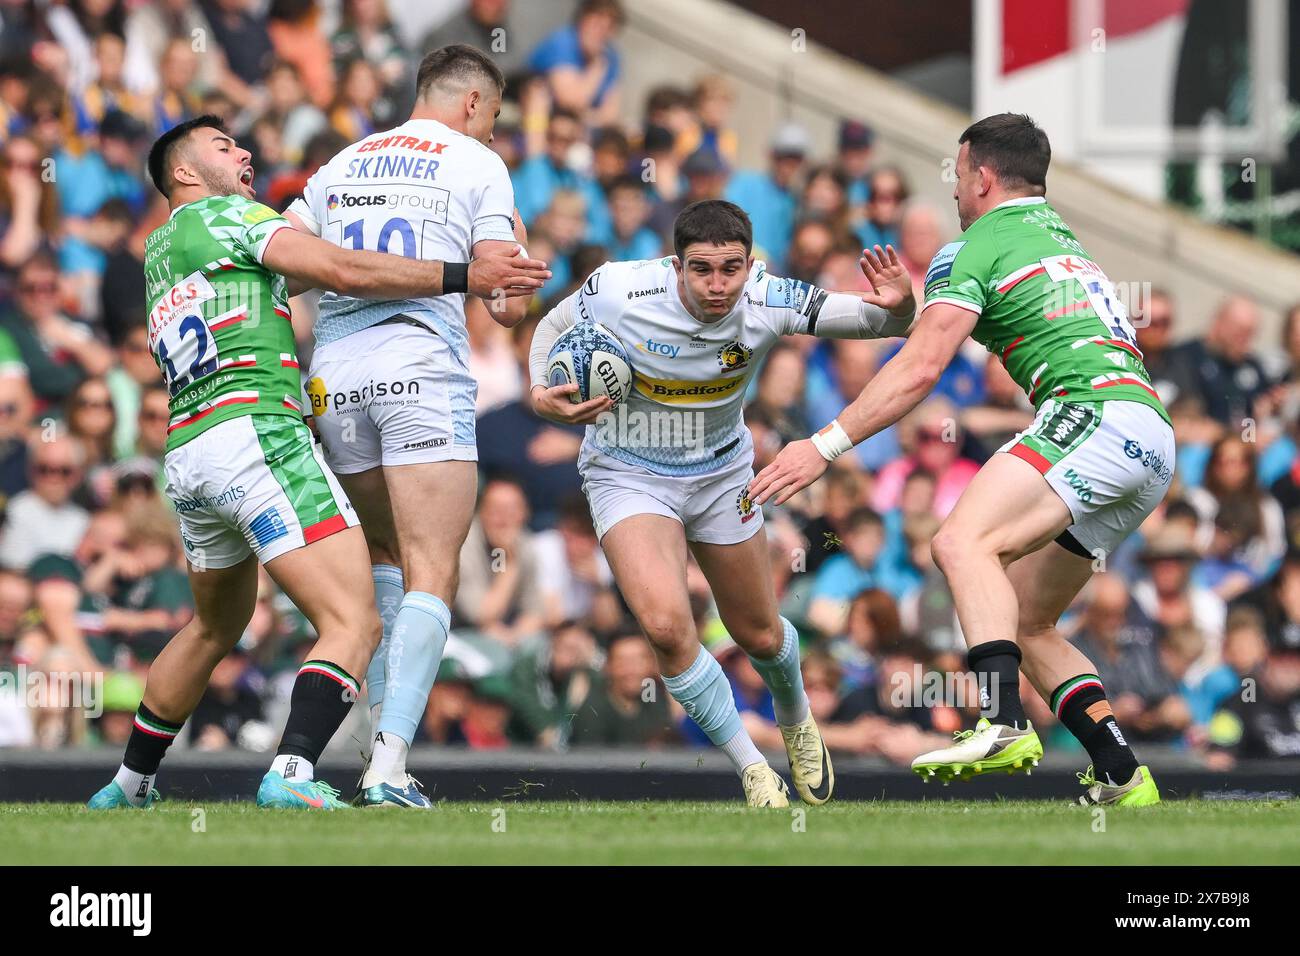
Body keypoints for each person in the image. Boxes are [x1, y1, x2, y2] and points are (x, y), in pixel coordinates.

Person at [86, 112, 548, 812]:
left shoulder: (159, 250)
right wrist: (464, 272)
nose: (243, 152)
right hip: (258, 435)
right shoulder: (230, 218)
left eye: (241, 142)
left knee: (213, 626)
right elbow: (338, 268)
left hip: (188, 453)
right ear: (184, 173)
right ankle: (293, 772)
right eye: (222, 146)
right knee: (355, 621)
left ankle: (127, 785)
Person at [751, 113, 1174, 806]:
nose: (953, 191)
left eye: (956, 175)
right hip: (1148, 434)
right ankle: (1123, 773)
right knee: (1025, 621)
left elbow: (920, 369)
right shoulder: (1060, 239)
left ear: (980, 176)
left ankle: (1003, 722)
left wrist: (821, 445)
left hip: (1092, 413)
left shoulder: (974, 245)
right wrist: (903, 310)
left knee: (959, 540)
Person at [528, 199, 917, 806]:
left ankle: (795, 717)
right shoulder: (617, 289)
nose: (717, 285)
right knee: (664, 625)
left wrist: (903, 303)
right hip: (627, 472)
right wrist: (540, 393)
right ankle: (752, 767)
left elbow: (883, 324)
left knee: (758, 633)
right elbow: (549, 328)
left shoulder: (769, 297)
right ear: (675, 264)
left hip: (720, 475)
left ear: (749, 263)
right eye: (702, 269)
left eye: (731, 268)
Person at [286, 44, 543, 808]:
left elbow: (287, 263)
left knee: (387, 557)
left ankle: (374, 751)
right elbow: (507, 302)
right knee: (437, 566)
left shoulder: (341, 163)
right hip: (419, 368)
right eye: (494, 117)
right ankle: (389, 766)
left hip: (335, 378)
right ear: (472, 104)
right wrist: (514, 248)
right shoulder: (476, 164)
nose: (493, 132)